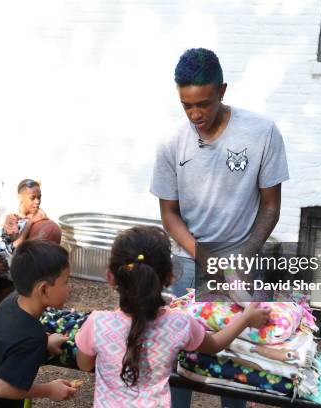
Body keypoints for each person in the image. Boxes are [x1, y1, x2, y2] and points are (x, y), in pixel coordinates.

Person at [150, 48, 289, 407]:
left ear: (222, 91)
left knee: (236, 358)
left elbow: (271, 207)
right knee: (181, 360)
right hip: (188, 261)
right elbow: (169, 214)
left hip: (244, 259)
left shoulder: (261, 132)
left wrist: (238, 261)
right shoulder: (171, 143)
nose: (196, 114)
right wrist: (206, 260)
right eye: (186, 105)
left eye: (204, 104)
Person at [74, 226, 270, 407]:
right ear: (169, 278)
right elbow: (215, 344)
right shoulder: (179, 323)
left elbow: (85, 364)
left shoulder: (97, 323)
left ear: (110, 277)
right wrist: (245, 319)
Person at [0, 240, 77, 408]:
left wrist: (45, 342)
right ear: (43, 289)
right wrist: (49, 389)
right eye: (66, 282)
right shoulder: (33, 336)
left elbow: (8, 341)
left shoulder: (11, 301)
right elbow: (1, 388)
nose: (70, 287)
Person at [2, 179, 62, 244]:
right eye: (32, 198)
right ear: (20, 197)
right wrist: (30, 222)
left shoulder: (40, 214)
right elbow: (15, 245)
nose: (37, 202)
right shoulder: (11, 217)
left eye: (39, 197)